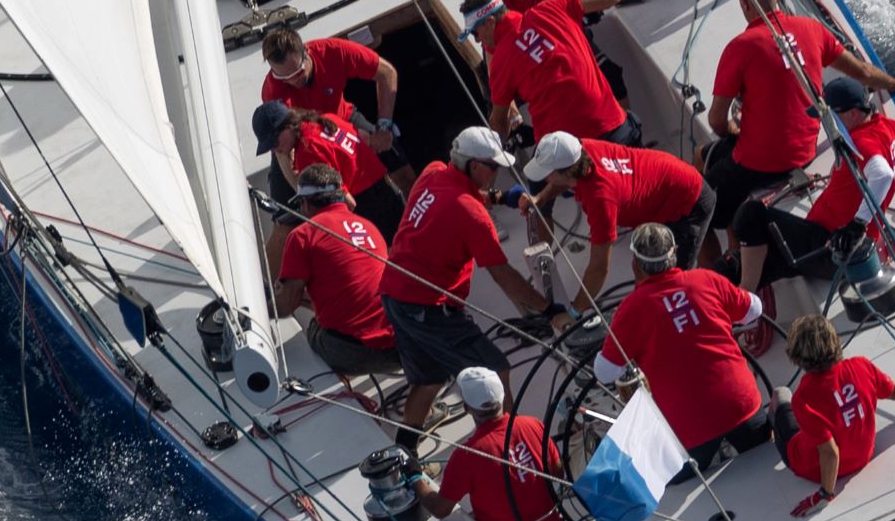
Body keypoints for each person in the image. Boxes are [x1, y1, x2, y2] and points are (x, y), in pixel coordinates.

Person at [379, 127, 568, 444]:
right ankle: (507, 447)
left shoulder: (434, 171)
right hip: (430, 308)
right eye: (493, 167)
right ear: (474, 166)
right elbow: (503, 276)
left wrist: (499, 197)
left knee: (429, 380)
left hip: (395, 296)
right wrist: (549, 309)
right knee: (495, 372)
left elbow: (454, 195)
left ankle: (405, 448)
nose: (497, 172)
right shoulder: (472, 215)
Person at [701, 0, 895, 260]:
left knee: (695, 210)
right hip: (803, 154)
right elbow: (862, 72)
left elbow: (717, 121)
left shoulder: (739, 48)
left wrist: (735, 132)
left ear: (745, 5)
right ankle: (735, 232)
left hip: (760, 165)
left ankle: (722, 278)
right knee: (713, 157)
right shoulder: (812, 29)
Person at [598, 223, 789, 472]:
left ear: (636, 263)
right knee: (761, 454)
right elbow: (754, 309)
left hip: (688, 430)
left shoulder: (630, 310)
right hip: (739, 405)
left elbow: (604, 372)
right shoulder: (706, 279)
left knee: (673, 479)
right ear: (674, 252)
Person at [734, 78, 895, 293]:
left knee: (751, 215)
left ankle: (743, 300)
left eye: (831, 116)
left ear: (853, 113)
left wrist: (857, 225)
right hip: (828, 242)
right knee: (740, 263)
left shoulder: (862, 142)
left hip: (832, 249)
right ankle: (741, 294)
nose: (827, 122)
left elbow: (883, 175)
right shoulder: (887, 127)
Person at [522, 130, 712, 310]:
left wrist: (575, 310)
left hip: (690, 202)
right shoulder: (583, 150)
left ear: (564, 172)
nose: (545, 177)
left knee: (671, 289)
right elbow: (563, 179)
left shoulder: (601, 199)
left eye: (547, 172)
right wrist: (540, 198)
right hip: (666, 189)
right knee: (644, 273)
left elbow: (599, 268)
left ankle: (712, 301)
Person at [782, 315, 895, 517]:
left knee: (780, 399)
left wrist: (825, 494)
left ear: (796, 355)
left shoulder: (803, 398)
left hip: (811, 466)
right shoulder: (861, 366)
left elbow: (830, 452)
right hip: (862, 456)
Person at [407, 365, 569, 521]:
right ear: (501, 398)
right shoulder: (533, 424)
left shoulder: (466, 456)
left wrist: (415, 476)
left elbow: (440, 509)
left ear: (467, 408)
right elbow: (557, 472)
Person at [273, 163, 401, 394]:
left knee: (313, 328)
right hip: (401, 347)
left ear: (305, 202)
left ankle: (341, 390)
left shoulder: (302, 235)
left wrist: (263, 302)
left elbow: (285, 307)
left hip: (355, 353)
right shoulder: (367, 226)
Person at [459, 0, 635, 147]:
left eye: (475, 33)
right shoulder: (551, 9)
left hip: (571, 151)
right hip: (616, 127)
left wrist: (493, 152)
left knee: (537, 179)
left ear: (490, 22)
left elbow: (499, 122)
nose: (478, 40)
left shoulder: (500, 61)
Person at [253, 101, 405, 252]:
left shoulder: (307, 151)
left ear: (287, 126)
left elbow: (347, 203)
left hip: (374, 208)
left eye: (274, 142)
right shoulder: (324, 120)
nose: (274, 150)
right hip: (389, 192)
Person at [258, 26, 402, 154]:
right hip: (306, 137)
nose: (294, 81)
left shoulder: (333, 51)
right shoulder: (272, 93)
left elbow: (386, 73)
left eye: (298, 73)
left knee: (388, 151)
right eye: (285, 78)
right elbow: (283, 140)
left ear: (306, 52)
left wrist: (383, 126)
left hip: (344, 118)